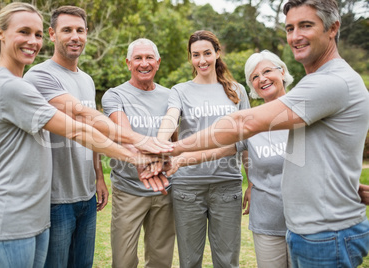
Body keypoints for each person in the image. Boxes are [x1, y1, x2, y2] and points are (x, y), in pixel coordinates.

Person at [169, 0, 369, 267]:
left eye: (306, 26)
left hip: (325, 233)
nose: (295, 36)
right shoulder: (314, 85)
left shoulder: (330, 82)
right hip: (307, 229)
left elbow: (243, 122)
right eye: (289, 28)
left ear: (333, 28)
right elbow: (315, 155)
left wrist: (171, 148)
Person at [0, 3, 155, 267]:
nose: (32, 41)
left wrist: (98, 176)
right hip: (18, 214)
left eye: (36, 35)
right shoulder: (20, 83)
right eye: (24, 32)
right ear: (0, 33)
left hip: (40, 211)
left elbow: (85, 126)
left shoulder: (22, 82)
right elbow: (80, 124)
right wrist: (139, 150)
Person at [157, 30, 250, 268]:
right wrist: (158, 143)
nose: (202, 60)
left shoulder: (237, 91)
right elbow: (171, 117)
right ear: (190, 58)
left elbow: (243, 143)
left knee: (228, 262)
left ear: (218, 53)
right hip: (188, 187)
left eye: (207, 53)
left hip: (227, 185)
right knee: (189, 261)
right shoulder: (180, 90)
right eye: (195, 55)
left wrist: (252, 182)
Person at [24, 6, 105, 267]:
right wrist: (137, 143)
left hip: (87, 196)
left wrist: (99, 177)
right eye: (67, 30)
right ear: (52, 34)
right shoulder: (39, 75)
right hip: (56, 199)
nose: (75, 37)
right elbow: (82, 119)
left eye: (80, 30)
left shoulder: (87, 80)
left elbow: (91, 134)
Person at [101, 38, 175, 268]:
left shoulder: (170, 96)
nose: (144, 63)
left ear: (158, 62)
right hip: (129, 190)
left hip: (164, 189)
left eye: (149, 57)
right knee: (123, 260)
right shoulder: (114, 95)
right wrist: (143, 162)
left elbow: (175, 138)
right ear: (128, 63)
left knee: (161, 260)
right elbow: (125, 135)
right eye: (138, 58)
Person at [239, 50, 294, 268]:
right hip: (267, 221)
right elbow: (228, 150)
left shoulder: (306, 111)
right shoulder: (251, 122)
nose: (262, 79)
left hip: (308, 222)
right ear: (252, 86)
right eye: (254, 77)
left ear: (282, 72)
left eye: (267, 71)